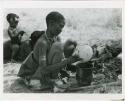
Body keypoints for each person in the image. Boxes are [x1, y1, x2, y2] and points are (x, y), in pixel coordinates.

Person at [18, 11, 81, 90]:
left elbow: (60, 59)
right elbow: (43, 70)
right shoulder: (42, 43)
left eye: (62, 27)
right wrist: (67, 61)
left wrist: (70, 60)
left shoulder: (56, 38)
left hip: (42, 69)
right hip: (31, 72)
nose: (61, 30)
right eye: (60, 26)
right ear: (51, 24)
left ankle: (52, 78)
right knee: (58, 46)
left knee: (63, 44)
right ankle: (48, 80)